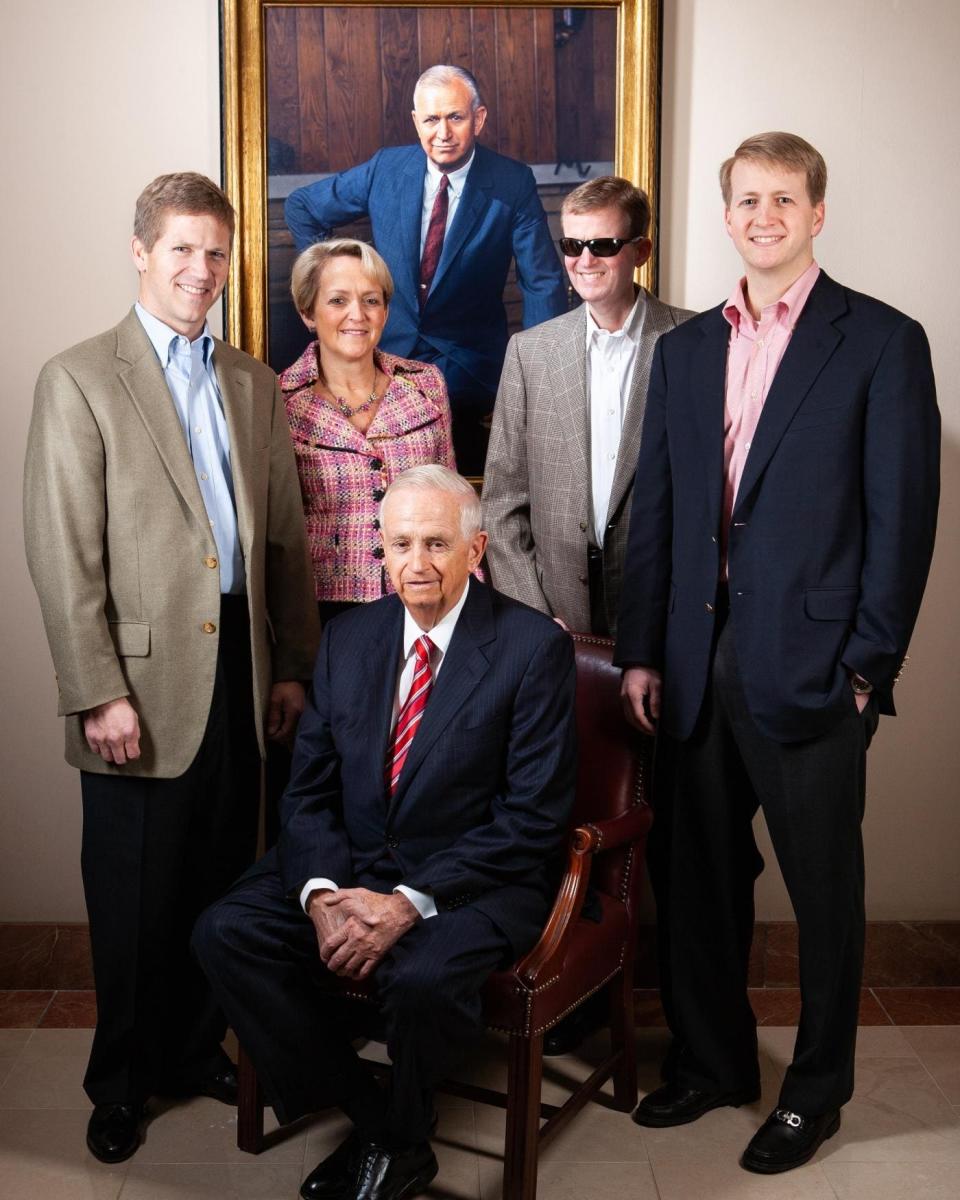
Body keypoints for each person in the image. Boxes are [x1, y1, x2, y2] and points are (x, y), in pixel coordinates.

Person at [615, 133, 940, 1174]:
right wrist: (642, 654)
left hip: (812, 674)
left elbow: (903, 522)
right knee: (699, 880)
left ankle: (815, 1093)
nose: (764, 215)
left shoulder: (883, 342)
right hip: (696, 669)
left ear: (817, 213)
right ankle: (712, 1064)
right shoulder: (687, 350)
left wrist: (865, 669)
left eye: (784, 199)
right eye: (746, 199)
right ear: (726, 215)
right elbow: (656, 513)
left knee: (825, 896)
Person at [22, 172, 320, 1164]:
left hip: (241, 668)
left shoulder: (249, 380)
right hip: (136, 685)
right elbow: (65, 552)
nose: (202, 270)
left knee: (223, 880)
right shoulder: (79, 378)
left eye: (216, 252)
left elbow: (281, 535)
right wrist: (95, 688)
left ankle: (196, 1049)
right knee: (133, 898)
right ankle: (121, 1081)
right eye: (183, 249)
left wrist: (290, 666)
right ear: (142, 252)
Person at [193, 465, 576, 1200]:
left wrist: (406, 902)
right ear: (381, 550)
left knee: (422, 978)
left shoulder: (532, 649)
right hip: (353, 867)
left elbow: (533, 819)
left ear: (477, 549)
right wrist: (321, 895)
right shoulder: (349, 641)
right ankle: (385, 1126)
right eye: (400, 544)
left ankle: (389, 1132)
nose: (417, 564)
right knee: (223, 931)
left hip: (473, 883)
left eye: (437, 543)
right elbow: (306, 794)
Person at [285, 64, 568, 473]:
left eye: (455, 117)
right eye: (432, 119)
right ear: (416, 122)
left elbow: (541, 282)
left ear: (479, 119)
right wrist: (332, 280)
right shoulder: (386, 168)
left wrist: (538, 385)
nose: (443, 133)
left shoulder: (511, 183)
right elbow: (302, 207)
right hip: (383, 359)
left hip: (470, 371)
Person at [483, 175, 692, 640]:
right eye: (573, 245)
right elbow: (501, 504)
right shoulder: (529, 352)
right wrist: (531, 617)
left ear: (642, 250)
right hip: (555, 616)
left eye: (603, 244)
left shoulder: (696, 341)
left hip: (666, 615)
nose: (585, 261)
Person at [281, 238, 456, 625]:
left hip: (427, 602)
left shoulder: (426, 385)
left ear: (385, 310)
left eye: (371, 300)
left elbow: (453, 505)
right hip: (323, 614)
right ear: (308, 312)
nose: (357, 314)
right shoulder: (279, 401)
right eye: (338, 300)